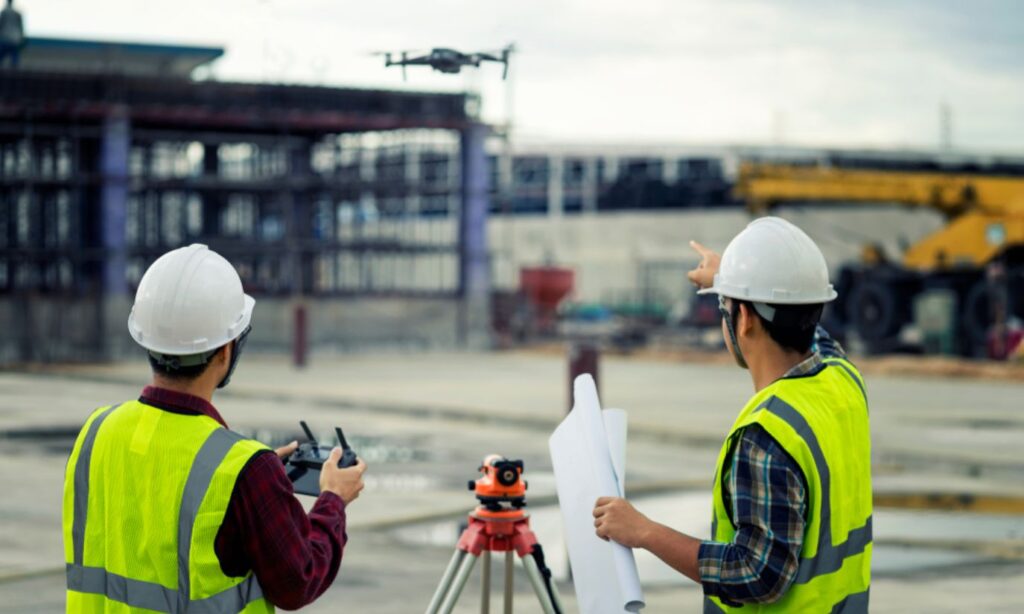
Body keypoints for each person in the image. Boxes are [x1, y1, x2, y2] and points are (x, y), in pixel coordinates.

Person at [62, 243, 367, 612]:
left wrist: (257, 483)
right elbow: (297, 581)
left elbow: (154, 500)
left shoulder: (97, 432)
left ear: (147, 341)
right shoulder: (245, 470)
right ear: (226, 350)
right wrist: (333, 499)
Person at [592, 217, 872, 612]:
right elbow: (812, 329)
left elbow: (755, 574)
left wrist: (643, 531)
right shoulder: (844, 381)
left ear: (742, 319)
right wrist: (732, 278)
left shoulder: (768, 434)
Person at [0, 0, 24, 68]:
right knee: (14, 58)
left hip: (5, 38)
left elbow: (1, 25)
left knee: (2, 55)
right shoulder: (17, 13)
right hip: (15, 38)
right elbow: (21, 27)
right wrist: (21, 38)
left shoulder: (4, 12)